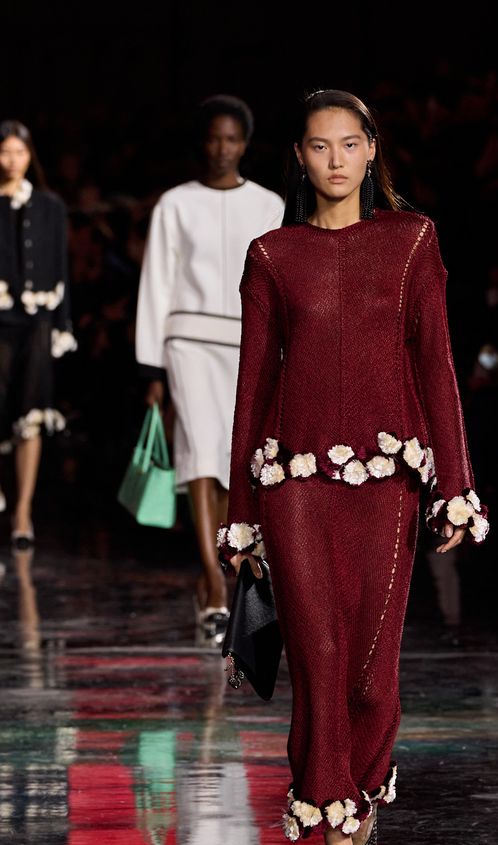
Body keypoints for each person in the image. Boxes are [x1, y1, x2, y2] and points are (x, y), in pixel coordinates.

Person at [217, 89, 489, 845]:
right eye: (318, 146)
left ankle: (359, 802)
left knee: (372, 677)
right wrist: (240, 514)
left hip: (388, 484)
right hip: (293, 484)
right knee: (322, 663)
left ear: (372, 151)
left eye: (349, 144)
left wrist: (456, 485)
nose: (335, 159)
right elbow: (252, 388)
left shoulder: (411, 243)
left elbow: (437, 364)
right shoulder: (273, 255)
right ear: (298, 158)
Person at [135, 95, 284, 641]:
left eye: (232, 139)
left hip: (247, 343)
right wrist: (150, 365)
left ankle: (215, 571)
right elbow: (157, 279)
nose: (222, 148)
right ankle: (216, 580)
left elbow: (277, 281)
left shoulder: (268, 205)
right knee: (199, 453)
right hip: (187, 343)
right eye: (214, 138)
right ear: (203, 143)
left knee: (230, 460)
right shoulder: (175, 204)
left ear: (245, 144)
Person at [0, 120, 77, 546]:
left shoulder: (50, 207)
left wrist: (62, 324)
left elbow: (60, 268)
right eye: (5, 151)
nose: (12, 160)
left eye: (19, 152)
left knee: (30, 413)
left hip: (37, 322)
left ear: (30, 156)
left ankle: (22, 512)